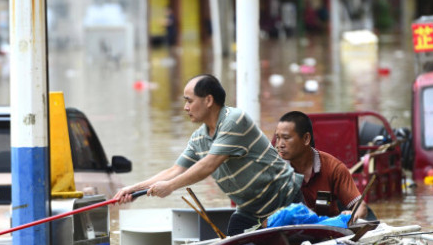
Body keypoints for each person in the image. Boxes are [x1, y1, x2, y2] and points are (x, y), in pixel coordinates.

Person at [114, 74, 302, 235]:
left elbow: (208, 165)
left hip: (285, 199)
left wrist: (170, 187)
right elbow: (175, 170)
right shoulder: (198, 138)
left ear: (208, 100)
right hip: (250, 211)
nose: (185, 108)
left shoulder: (234, 120)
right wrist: (133, 189)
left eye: (189, 101)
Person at [273, 111, 369, 221]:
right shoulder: (276, 171)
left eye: (286, 138)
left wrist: (352, 216)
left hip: (328, 231)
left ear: (306, 139)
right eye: (278, 138)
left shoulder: (334, 168)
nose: (280, 145)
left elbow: (360, 206)